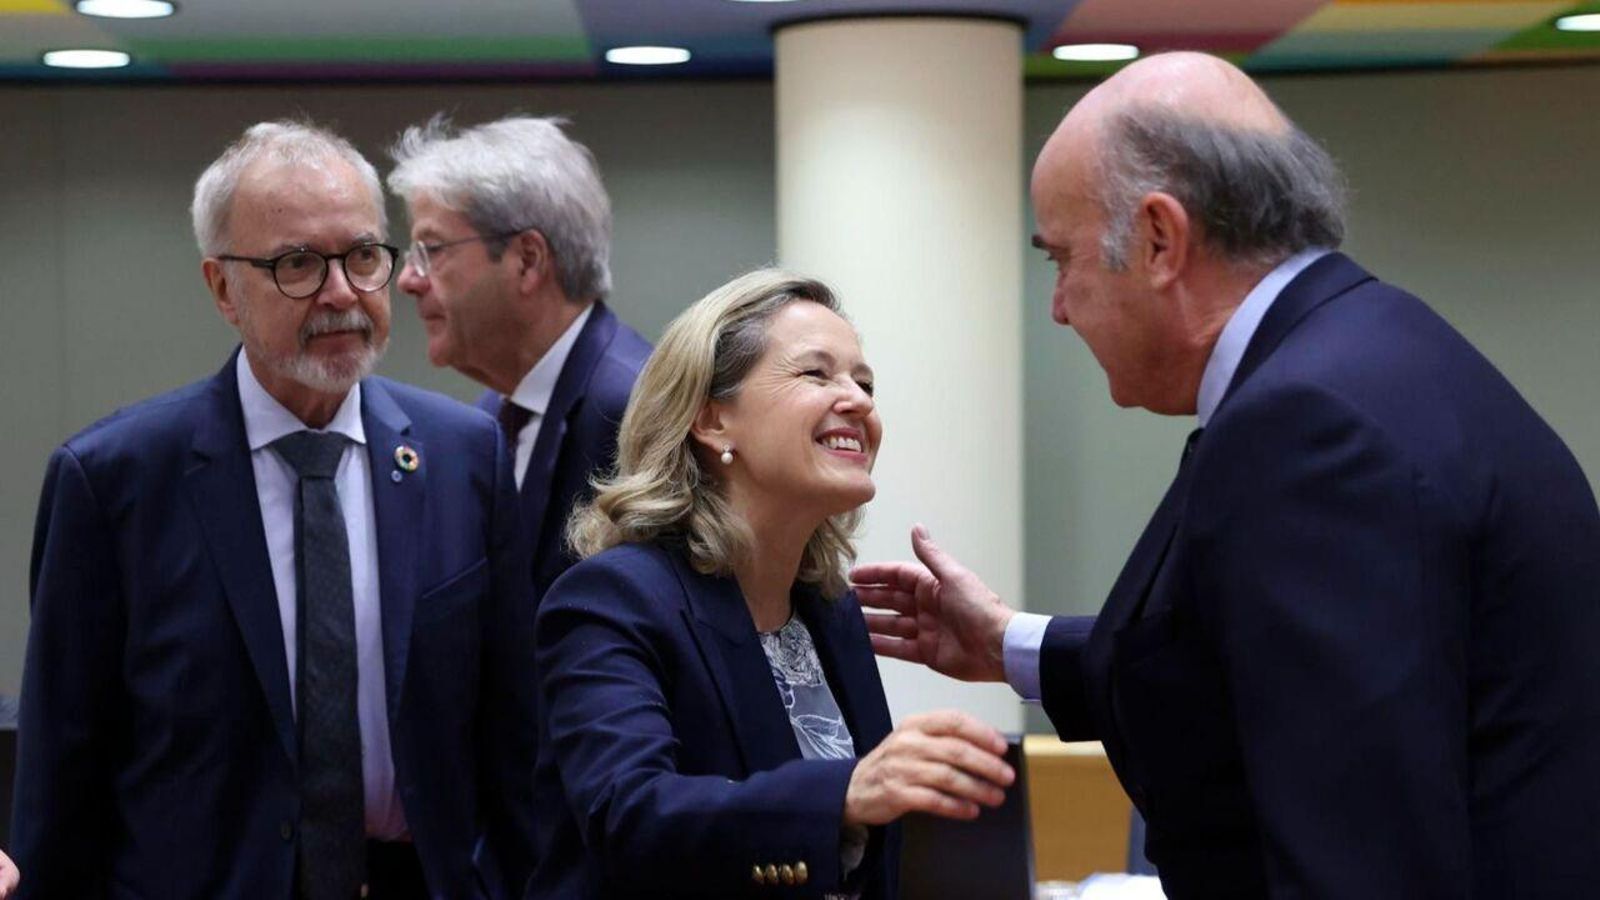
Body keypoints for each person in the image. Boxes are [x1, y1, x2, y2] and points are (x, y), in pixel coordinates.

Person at [856, 52, 1600, 898]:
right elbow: (1237, 667)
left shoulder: (1312, 428)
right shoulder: (1374, 350)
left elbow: (1355, 852)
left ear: (1160, 240)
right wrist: (1009, 645)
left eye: (1060, 260)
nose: (1059, 306)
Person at [12, 121, 537, 899]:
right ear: (222, 288)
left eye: (363, 256)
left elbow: (514, 736)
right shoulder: (115, 480)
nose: (340, 293)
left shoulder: (465, 457)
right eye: (297, 263)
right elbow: (63, 769)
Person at [530, 269, 1016, 899]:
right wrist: (845, 793)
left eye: (865, 383)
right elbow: (631, 814)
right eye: (817, 374)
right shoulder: (610, 600)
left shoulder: (829, 608)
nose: (861, 402)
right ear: (712, 421)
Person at [388, 116, 651, 602]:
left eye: (432, 250)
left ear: (527, 260)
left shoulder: (639, 410)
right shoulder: (494, 415)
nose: (408, 280)